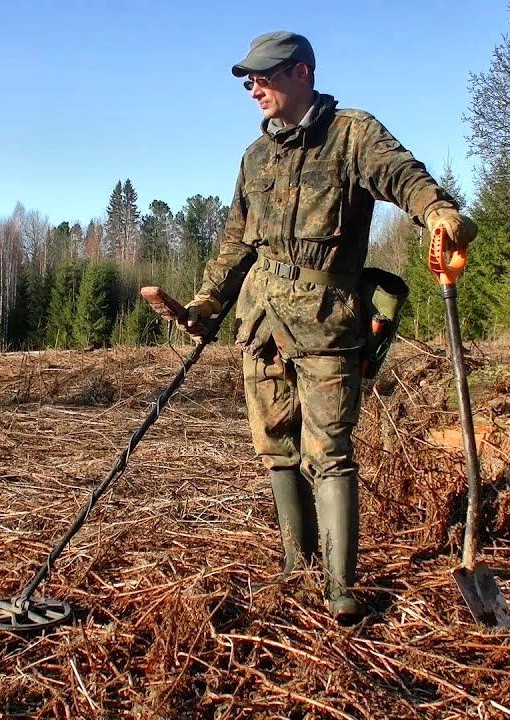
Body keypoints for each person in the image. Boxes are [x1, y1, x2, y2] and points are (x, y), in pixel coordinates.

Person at [181, 31, 477, 622]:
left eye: (264, 76)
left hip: (326, 321)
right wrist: (207, 302)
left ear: (302, 73)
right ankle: (297, 563)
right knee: (277, 448)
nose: (254, 87)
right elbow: (236, 240)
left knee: (330, 452)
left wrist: (439, 213)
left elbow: (404, 178)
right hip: (261, 320)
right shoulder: (254, 157)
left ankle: (340, 586)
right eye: (248, 80)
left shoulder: (352, 134)